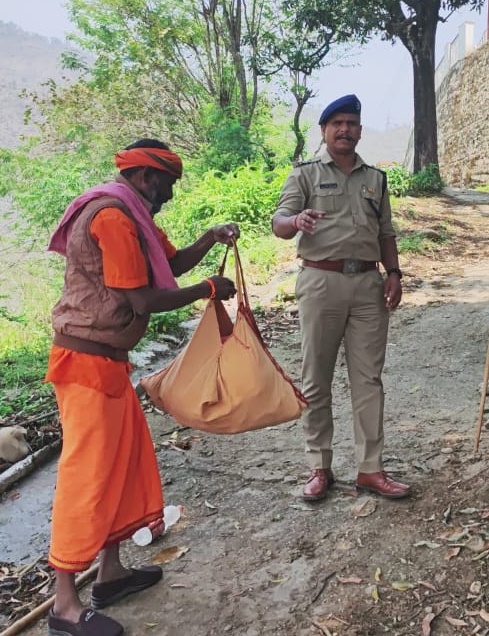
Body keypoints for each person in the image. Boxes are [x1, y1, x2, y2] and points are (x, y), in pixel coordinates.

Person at [44, 139, 240, 636]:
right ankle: (64, 605)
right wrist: (208, 292)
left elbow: (168, 266)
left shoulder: (133, 214)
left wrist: (210, 238)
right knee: (86, 478)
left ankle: (109, 575)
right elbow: (144, 297)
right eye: (168, 185)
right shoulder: (113, 216)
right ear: (148, 178)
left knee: (119, 467)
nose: (169, 196)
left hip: (108, 363)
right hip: (85, 365)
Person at [271, 94, 410, 502]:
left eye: (352, 123)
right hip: (320, 283)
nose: (345, 130)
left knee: (369, 380)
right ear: (325, 131)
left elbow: (386, 232)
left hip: (368, 286)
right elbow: (279, 223)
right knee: (316, 378)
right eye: (338, 124)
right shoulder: (305, 175)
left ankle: (371, 469)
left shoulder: (376, 179)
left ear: (360, 131)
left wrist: (395, 273)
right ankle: (319, 467)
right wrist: (296, 221)